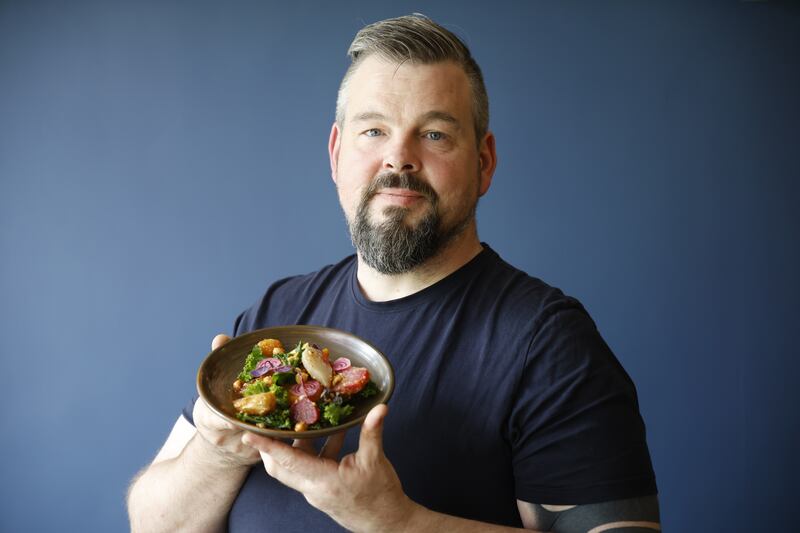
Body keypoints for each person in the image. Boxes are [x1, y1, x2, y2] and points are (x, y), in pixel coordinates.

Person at [127, 14, 659, 533]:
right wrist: (217, 453)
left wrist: (397, 523)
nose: (398, 158)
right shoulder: (275, 321)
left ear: (485, 163)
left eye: (433, 135)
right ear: (336, 154)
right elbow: (151, 525)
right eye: (374, 130)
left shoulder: (547, 342)